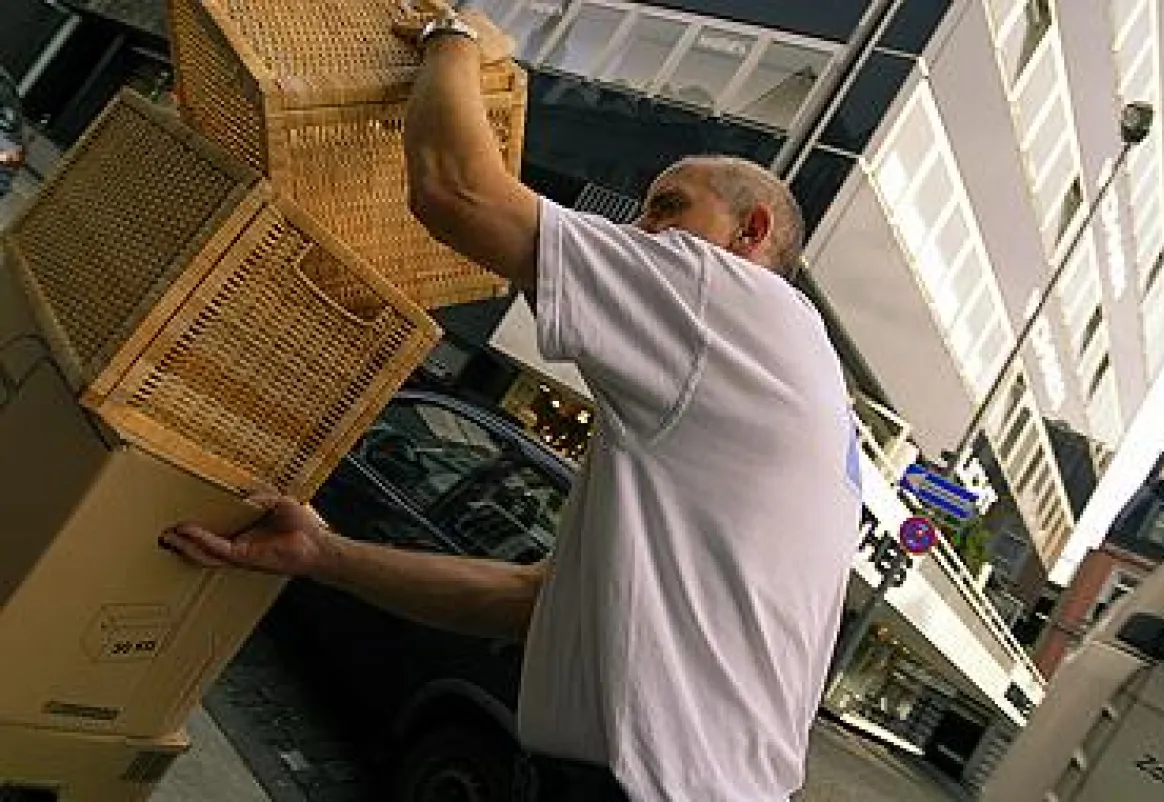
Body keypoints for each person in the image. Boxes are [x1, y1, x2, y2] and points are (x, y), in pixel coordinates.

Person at [162, 4, 863, 800]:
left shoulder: (734, 303)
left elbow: (457, 191)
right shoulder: (770, 396)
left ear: (751, 233)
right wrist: (324, 557)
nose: (642, 229)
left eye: (669, 208)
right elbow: (533, 604)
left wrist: (454, 37)